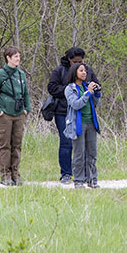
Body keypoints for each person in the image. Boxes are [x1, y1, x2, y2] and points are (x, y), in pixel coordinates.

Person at [47, 47, 103, 184]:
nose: (78, 63)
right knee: (66, 144)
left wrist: (93, 90)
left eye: (80, 61)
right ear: (69, 59)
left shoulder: (86, 71)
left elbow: (96, 86)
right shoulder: (60, 71)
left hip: (84, 113)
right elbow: (52, 88)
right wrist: (72, 92)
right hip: (63, 111)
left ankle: (86, 175)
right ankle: (66, 173)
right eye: (75, 61)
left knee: (86, 148)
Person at [0, 46, 30, 186]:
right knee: (5, 145)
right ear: (8, 58)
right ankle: (5, 175)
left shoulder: (21, 74)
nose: (18, 59)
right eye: (16, 56)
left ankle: (15, 175)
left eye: (19, 56)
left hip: (19, 114)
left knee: (17, 145)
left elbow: (26, 94)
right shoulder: (0, 74)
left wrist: (26, 109)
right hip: (4, 115)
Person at [64, 62, 101, 188]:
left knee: (92, 153)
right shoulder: (70, 89)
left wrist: (96, 93)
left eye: (85, 71)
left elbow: (95, 103)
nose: (84, 73)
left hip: (91, 122)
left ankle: (92, 179)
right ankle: (78, 180)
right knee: (79, 154)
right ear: (74, 73)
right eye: (81, 71)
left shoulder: (86, 87)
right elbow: (76, 104)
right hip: (78, 124)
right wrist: (87, 93)